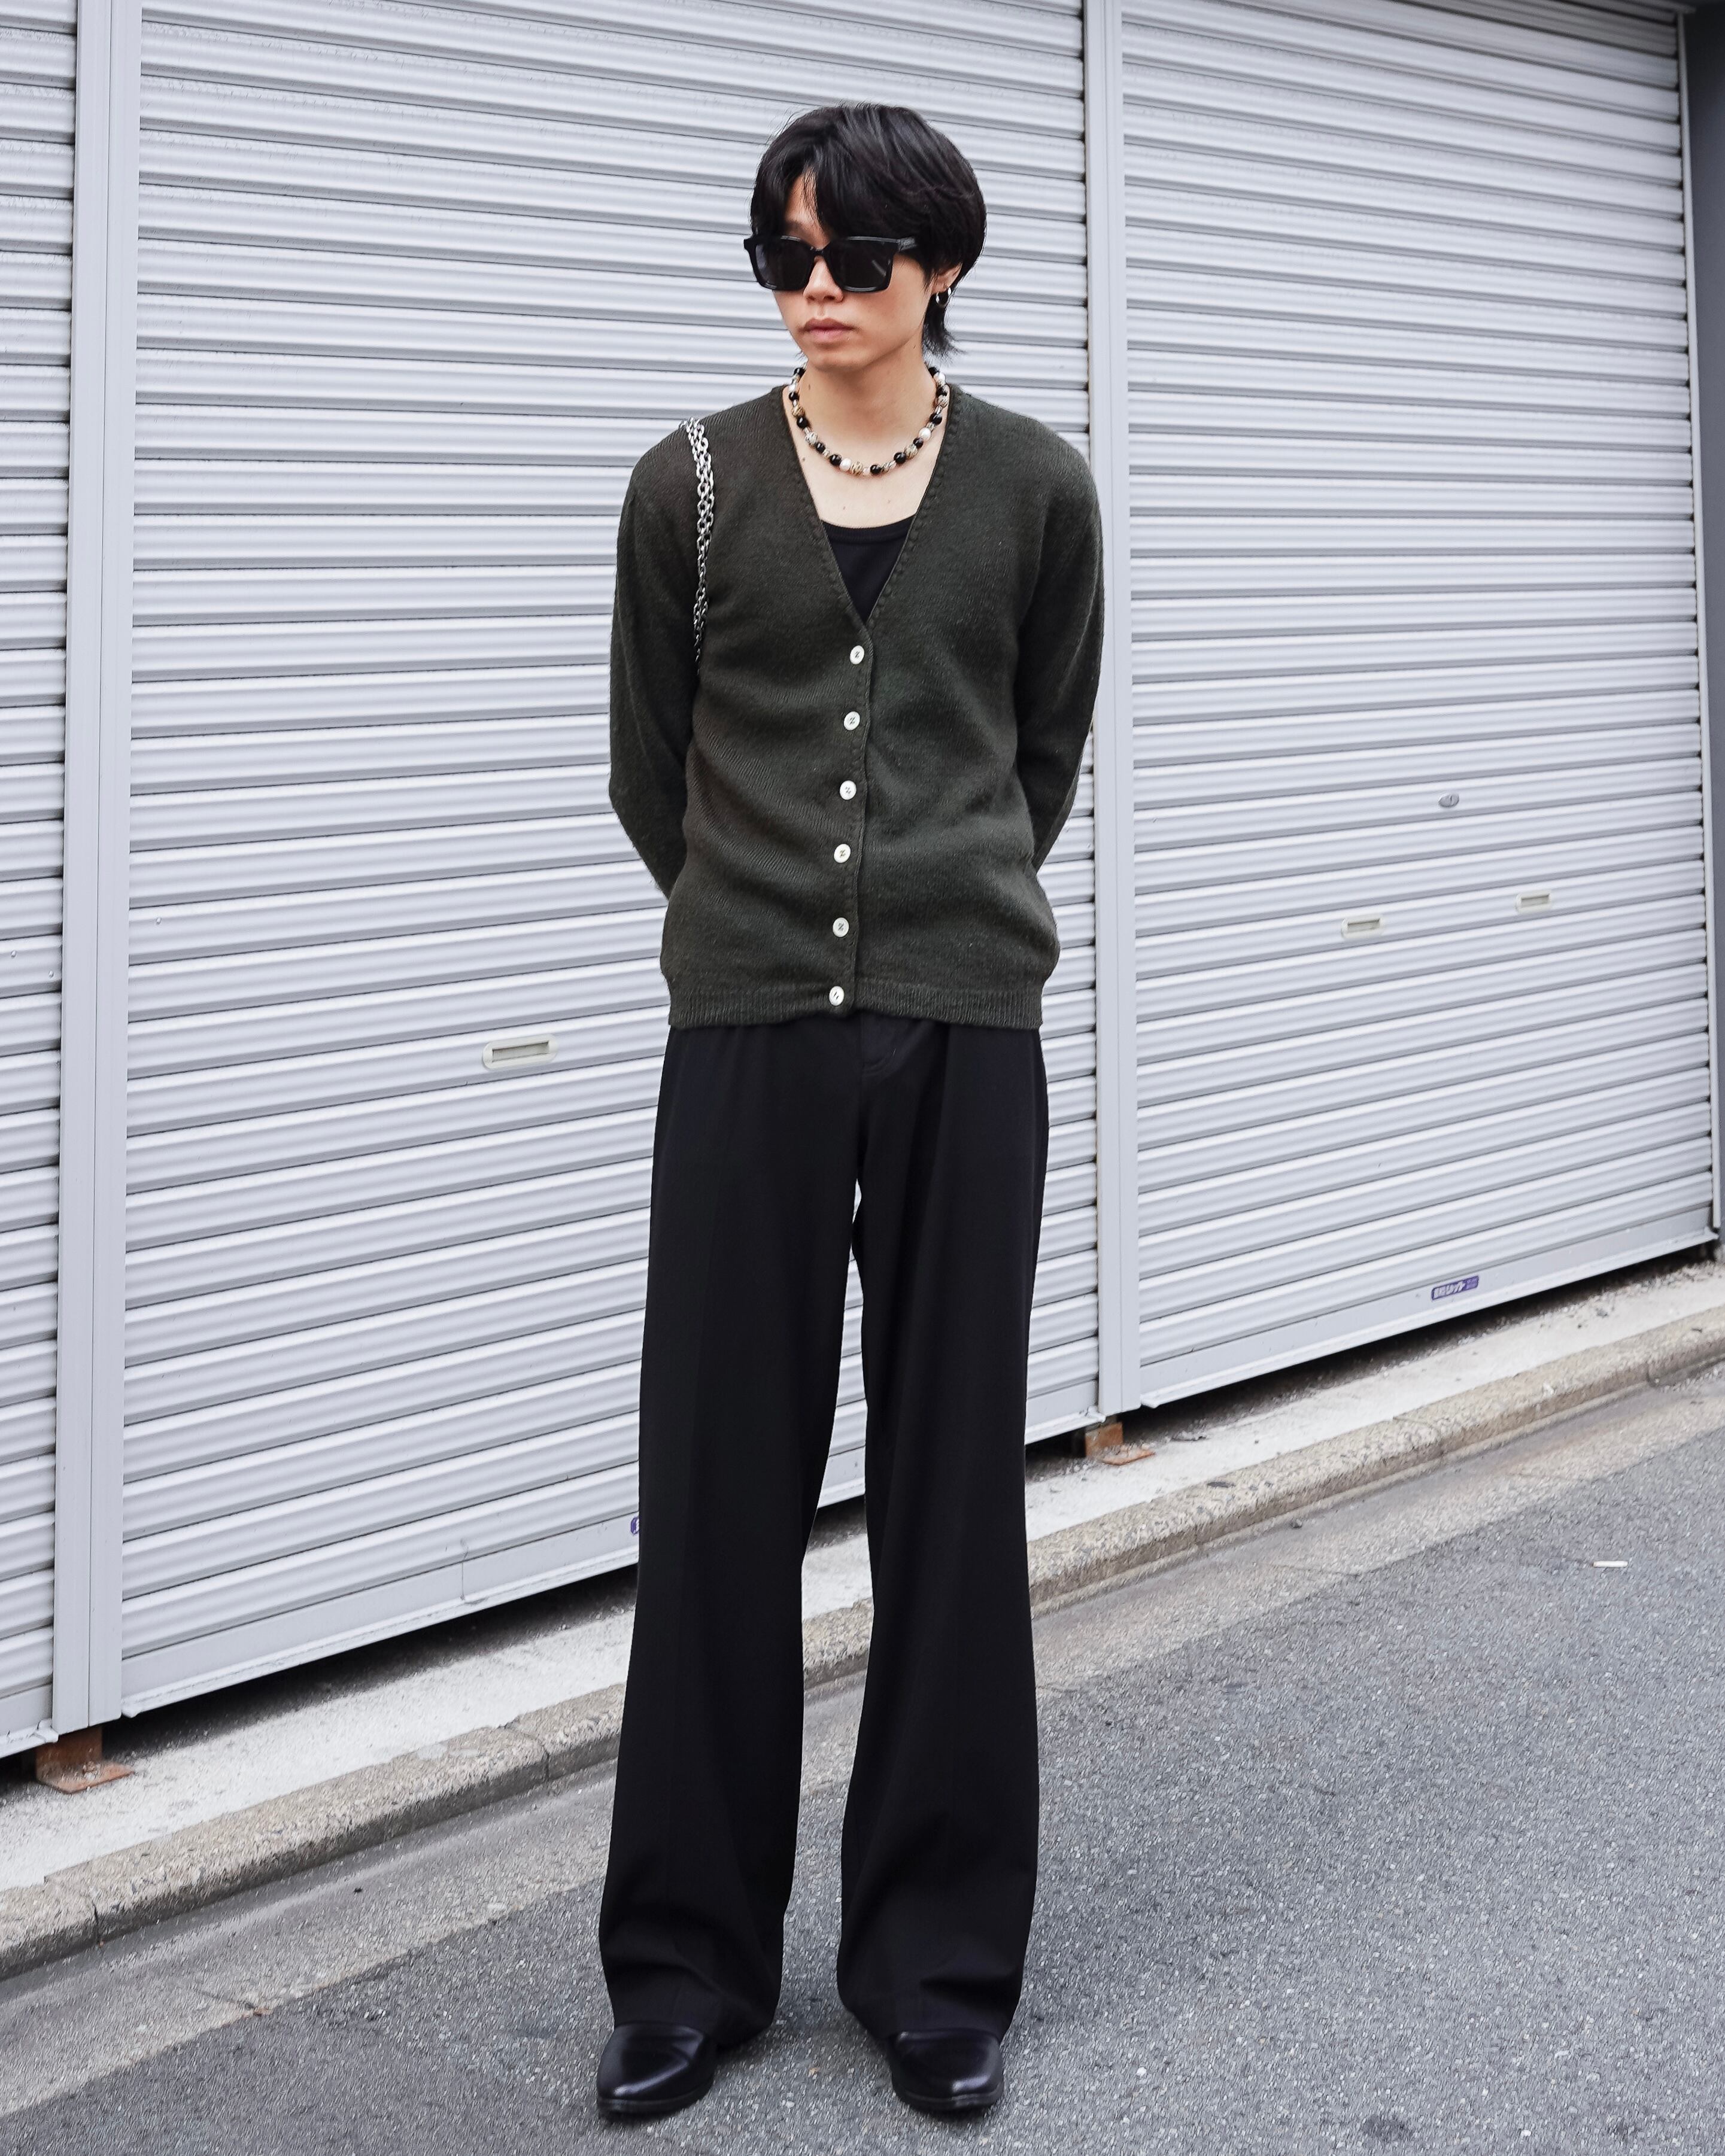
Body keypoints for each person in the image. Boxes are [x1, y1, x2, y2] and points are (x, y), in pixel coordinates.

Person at [596, 100, 1105, 2121]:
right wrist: (754, 932)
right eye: (782, 256)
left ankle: (936, 1962)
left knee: (952, 1492)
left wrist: (931, 917)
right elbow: (653, 765)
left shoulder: (1036, 486)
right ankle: (684, 1965)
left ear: (938, 267)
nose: (815, 290)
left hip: (965, 1028)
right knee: (715, 1485)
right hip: (745, 1035)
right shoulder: (692, 484)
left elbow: (1037, 752)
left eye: (854, 258)